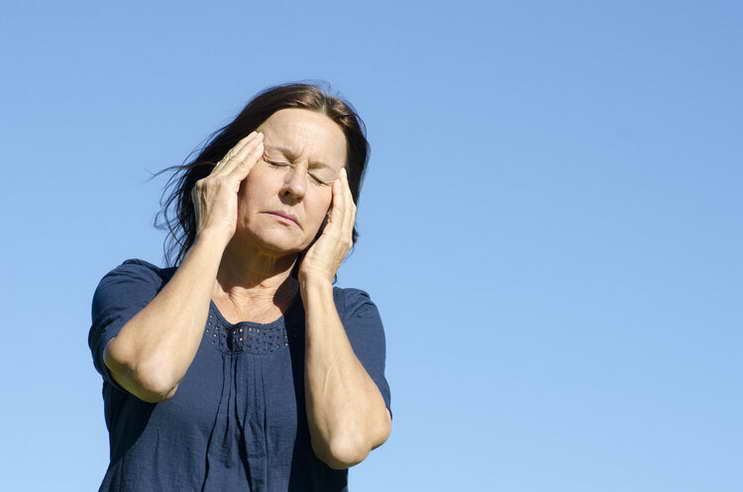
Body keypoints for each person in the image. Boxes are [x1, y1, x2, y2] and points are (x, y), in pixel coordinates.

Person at [87, 82, 393, 491]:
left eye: (320, 179)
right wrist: (212, 232)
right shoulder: (138, 287)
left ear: (338, 207)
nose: (295, 188)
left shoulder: (350, 316)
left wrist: (317, 283)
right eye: (276, 161)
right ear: (230, 169)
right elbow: (153, 374)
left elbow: (346, 441)